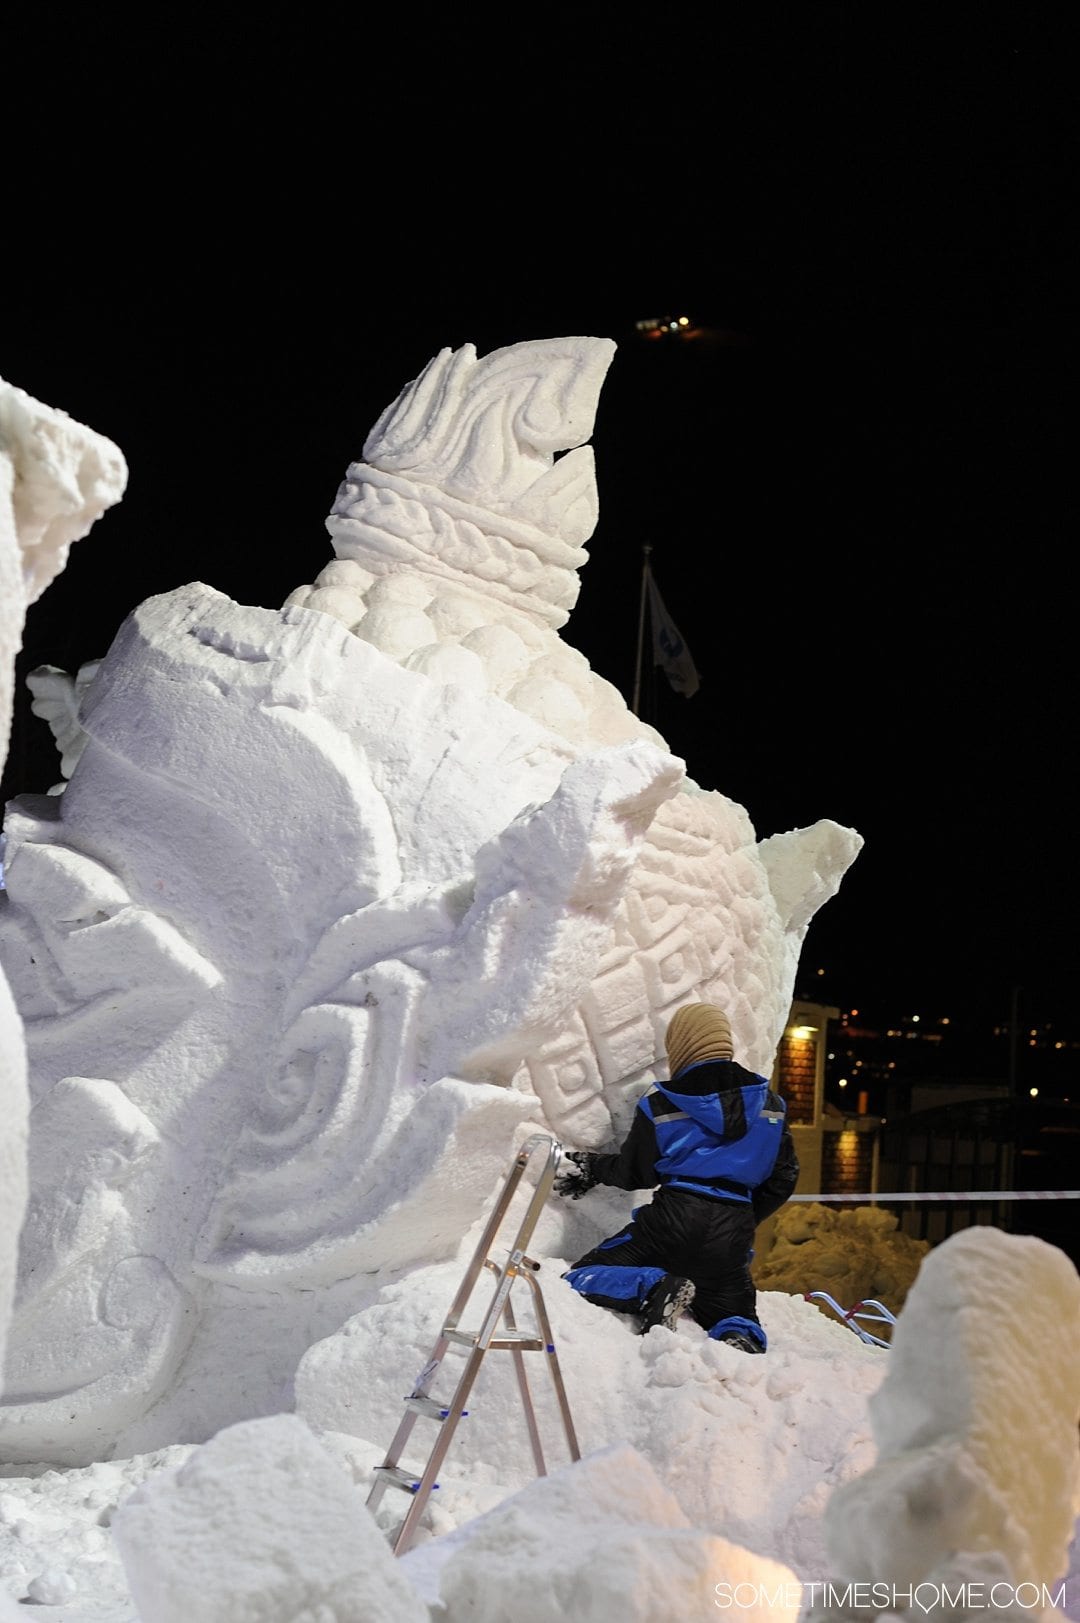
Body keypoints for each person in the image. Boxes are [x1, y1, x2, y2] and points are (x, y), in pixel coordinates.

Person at [554, 1003, 799, 1350]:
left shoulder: (664, 1103)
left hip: (671, 1221)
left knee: (580, 1277)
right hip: (732, 1231)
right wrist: (742, 1217)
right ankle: (737, 1340)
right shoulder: (771, 1105)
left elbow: (635, 1172)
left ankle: (653, 1287)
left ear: (681, 1046)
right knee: (735, 1313)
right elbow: (784, 1177)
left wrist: (593, 1167)